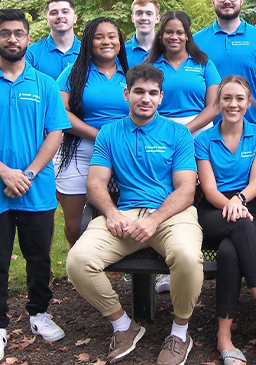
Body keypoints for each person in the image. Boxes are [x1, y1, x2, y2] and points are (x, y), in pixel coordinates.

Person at [66, 63, 203, 365]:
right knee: (78, 260)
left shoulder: (178, 133)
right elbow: (95, 183)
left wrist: (154, 220)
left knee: (187, 257)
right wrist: (112, 213)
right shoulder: (109, 133)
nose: (146, 98)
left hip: (170, 216)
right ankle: (123, 325)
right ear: (127, 93)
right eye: (139, 91)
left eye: (153, 93)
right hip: (126, 216)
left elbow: (185, 190)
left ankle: (180, 333)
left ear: (161, 97)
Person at [0, 9, 70, 365]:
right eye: (5, 33)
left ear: (27, 37)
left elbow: (55, 133)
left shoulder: (45, 84)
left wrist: (28, 174)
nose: (13, 39)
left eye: (19, 33)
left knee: (39, 257)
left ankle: (39, 313)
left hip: (36, 190)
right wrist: (6, 173)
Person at [195, 75, 256, 364]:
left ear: (249, 102)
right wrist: (232, 205)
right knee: (239, 224)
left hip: (248, 207)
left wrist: (239, 200)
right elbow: (209, 190)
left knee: (229, 252)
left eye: (240, 98)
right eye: (227, 98)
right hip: (213, 211)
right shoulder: (204, 139)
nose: (233, 104)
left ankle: (224, 337)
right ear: (218, 102)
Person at [54, 17, 130, 247]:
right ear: (88, 42)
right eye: (99, 37)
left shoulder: (130, 74)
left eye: (112, 36)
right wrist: (99, 136)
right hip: (79, 150)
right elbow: (61, 113)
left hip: (123, 152)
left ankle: (113, 259)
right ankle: (79, 262)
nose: (106, 41)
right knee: (76, 225)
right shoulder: (73, 73)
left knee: (118, 214)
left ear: (120, 41)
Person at [194, 0, 256, 132]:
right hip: (206, 134)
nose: (227, 1)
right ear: (213, 1)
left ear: (241, 0)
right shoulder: (196, 42)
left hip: (253, 133)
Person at [147, 10, 221, 137]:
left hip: (200, 133)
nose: (174, 37)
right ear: (161, 35)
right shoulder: (149, 67)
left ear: (187, 36)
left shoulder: (204, 64)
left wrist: (185, 130)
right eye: (168, 32)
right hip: (160, 133)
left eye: (179, 32)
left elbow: (214, 107)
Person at [26, 0, 80, 79]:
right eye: (54, 13)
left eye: (65, 12)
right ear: (47, 20)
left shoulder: (89, 52)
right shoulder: (31, 53)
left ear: (75, 18)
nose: (60, 16)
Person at [125, 0, 160, 66]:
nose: (144, 18)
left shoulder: (166, 49)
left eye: (149, 14)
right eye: (139, 13)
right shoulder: (122, 52)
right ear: (132, 18)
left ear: (157, 18)